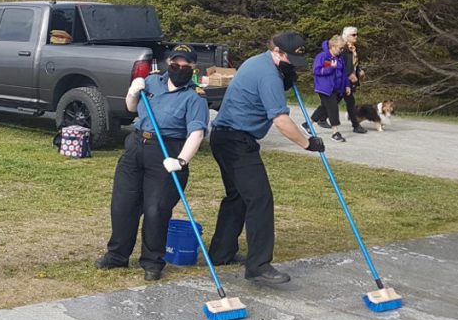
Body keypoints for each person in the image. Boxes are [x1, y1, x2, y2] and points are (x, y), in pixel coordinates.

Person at [206, 32, 325, 285]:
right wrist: (308, 144)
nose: (292, 64)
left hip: (224, 138)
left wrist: (284, 78)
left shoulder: (257, 61)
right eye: (289, 59)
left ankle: (220, 253)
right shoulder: (268, 74)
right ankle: (258, 265)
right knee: (260, 198)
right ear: (277, 52)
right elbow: (281, 121)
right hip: (236, 142)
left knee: (238, 197)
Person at [95, 45, 210, 280]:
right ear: (169, 62)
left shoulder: (194, 97)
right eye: (175, 63)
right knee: (123, 205)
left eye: (184, 65)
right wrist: (133, 92)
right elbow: (130, 108)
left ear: (193, 68)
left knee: (156, 209)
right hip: (137, 146)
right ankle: (117, 256)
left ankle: (151, 261)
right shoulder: (152, 81)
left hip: (168, 151)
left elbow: (196, 133)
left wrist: (181, 161)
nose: (178, 68)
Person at [308, 35, 349, 143]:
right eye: (340, 48)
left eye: (342, 48)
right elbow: (316, 71)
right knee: (333, 108)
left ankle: (307, 124)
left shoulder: (339, 58)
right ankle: (335, 132)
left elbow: (344, 73)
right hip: (324, 88)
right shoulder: (322, 56)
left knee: (325, 107)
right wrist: (330, 68)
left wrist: (347, 85)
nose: (341, 50)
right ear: (333, 46)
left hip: (336, 88)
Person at [341, 26, 367, 134]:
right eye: (353, 35)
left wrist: (359, 71)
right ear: (347, 37)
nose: (356, 37)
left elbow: (355, 63)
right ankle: (356, 125)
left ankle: (318, 119)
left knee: (337, 101)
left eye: (357, 34)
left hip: (350, 79)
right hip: (344, 79)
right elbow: (343, 64)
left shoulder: (354, 49)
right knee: (350, 102)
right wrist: (350, 74)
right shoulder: (343, 49)